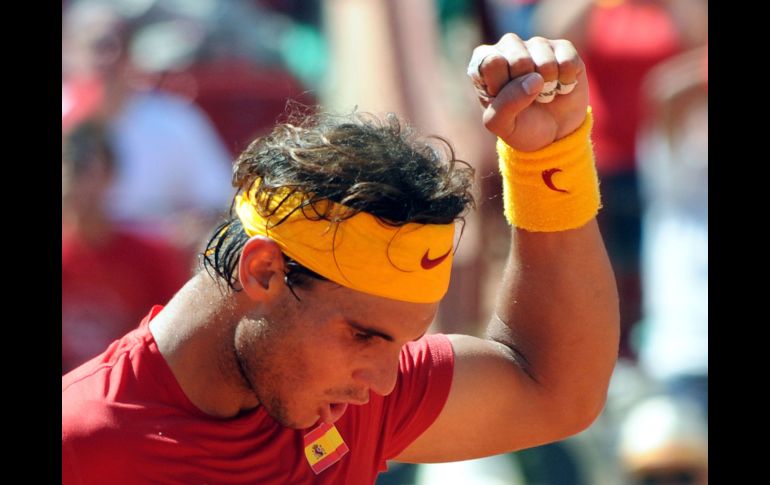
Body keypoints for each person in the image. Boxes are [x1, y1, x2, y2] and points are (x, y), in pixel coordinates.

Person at [62, 33, 619, 484]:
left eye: (402, 345)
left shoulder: (340, 399)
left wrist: (549, 155)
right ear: (262, 272)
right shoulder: (81, 444)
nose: (382, 381)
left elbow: (551, 389)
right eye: (365, 336)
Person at [62, 119, 189, 373]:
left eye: (82, 168)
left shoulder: (151, 257)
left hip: (129, 391)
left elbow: (179, 338)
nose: (71, 181)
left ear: (110, 176)